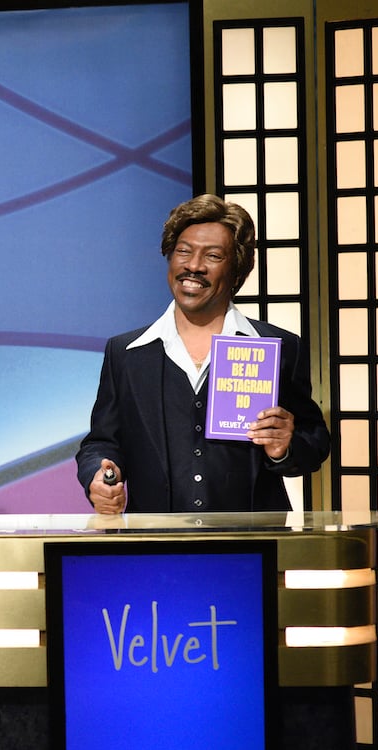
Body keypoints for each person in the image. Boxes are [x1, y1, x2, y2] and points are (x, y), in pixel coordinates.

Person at [76, 194, 330, 514]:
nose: (194, 266)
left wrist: (283, 447)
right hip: (154, 544)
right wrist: (98, 476)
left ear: (238, 272)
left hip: (253, 543)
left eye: (212, 255)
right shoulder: (125, 354)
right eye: (183, 251)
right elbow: (101, 441)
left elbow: (315, 443)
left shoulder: (278, 347)